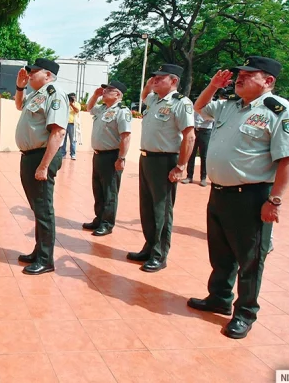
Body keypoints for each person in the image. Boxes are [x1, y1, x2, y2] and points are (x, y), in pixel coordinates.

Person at [188, 56, 289, 339]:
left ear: (268, 81)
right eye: (239, 73)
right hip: (220, 193)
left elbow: (288, 159)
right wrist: (214, 86)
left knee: (250, 260)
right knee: (221, 253)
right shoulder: (229, 106)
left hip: (251, 196)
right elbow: (199, 107)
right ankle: (220, 298)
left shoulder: (278, 111)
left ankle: (245, 313)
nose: (240, 77)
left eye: (249, 74)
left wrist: (274, 200)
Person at [126, 64, 195, 273]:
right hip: (147, 158)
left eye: (159, 78)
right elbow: (144, 95)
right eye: (153, 77)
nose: (154, 80)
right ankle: (149, 247)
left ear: (173, 81)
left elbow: (189, 136)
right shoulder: (155, 100)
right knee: (146, 207)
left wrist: (181, 166)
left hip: (165, 161)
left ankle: (159, 254)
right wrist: (149, 85)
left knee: (162, 210)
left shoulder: (181, 103)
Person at [13, 58, 69, 275]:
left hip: (41, 157)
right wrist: (20, 86)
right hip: (30, 156)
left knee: (44, 209)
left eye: (34, 72)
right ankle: (39, 251)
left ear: (47, 75)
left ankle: (46, 259)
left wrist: (44, 166)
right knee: (38, 208)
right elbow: (19, 105)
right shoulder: (37, 94)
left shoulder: (55, 94)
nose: (30, 74)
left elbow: (58, 132)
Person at [82, 80, 132, 236]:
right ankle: (99, 218)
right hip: (98, 155)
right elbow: (89, 108)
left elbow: (125, 136)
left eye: (108, 90)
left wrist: (121, 158)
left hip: (111, 156)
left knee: (110, 191)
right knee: (98, 189)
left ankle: (107, 223)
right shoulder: (103, 108)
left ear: (117, 94)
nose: (104, 91)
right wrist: (95, 95)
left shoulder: (122, 111)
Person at [181, 97, 214, 186]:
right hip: (195, 130)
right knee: (191, 154)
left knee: (204, 155)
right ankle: (189, 176)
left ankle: (203, 178)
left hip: (206, 131)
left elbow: (212, 118)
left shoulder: (212, 107)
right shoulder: (195, 107)